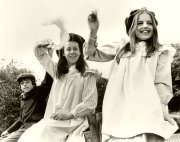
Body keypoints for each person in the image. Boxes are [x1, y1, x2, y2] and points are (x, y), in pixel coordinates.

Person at [85, 8, 178, 142]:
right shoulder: (122, 48)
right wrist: (93, 31)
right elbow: (91, 53)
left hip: (147, 107)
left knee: (144, 136)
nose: (145, 26)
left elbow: (162, 84)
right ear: (131, 27)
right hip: (120, 108)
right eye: (140, 23)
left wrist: (160, 109)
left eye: (149, 23)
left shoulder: (160, 51)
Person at [18, 33, 99, 142]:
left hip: (76, 120)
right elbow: (40, 55)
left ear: (81, 51)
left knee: (42, 134)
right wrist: (44, 43)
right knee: (29, 136)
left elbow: (90, 102)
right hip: (55, 120)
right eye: (68, 49)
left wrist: (70, 114)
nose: (72, 52)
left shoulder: (87, 74)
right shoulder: (57, 71)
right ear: (63, 53)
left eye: (75, 48)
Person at [0, 71, 53, 142]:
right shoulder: (23, 99)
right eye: (22, 83)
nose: (24, 85)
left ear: (33, 84)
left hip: (34, 127)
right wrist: (8, 131)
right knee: (2, 138)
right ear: (20, 87)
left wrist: (49, 62)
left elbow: (48, 81)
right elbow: (21, 119)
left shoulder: (39, 92)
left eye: (27, 82)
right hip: (23, 128)